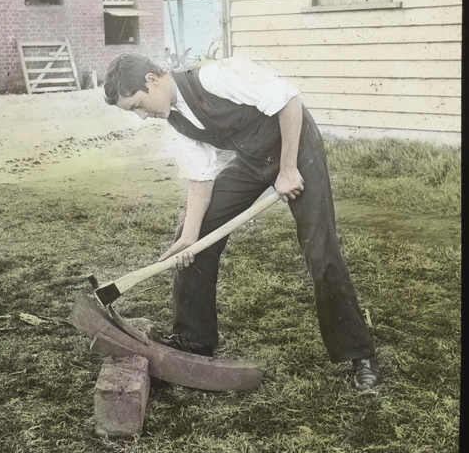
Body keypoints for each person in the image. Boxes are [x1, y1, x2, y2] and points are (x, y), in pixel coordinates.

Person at [103, 52, 383, 391]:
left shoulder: (215, 77)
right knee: (196, 236)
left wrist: (289, 168)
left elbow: (289, 101)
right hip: (254, 160)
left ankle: (360, 356)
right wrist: (191, 235)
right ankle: (194, 342)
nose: (141, 116)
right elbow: (200, 178)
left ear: (151, 80)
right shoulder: (175, 119)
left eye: (137, 105)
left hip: (296, 147)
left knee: (319, 249)